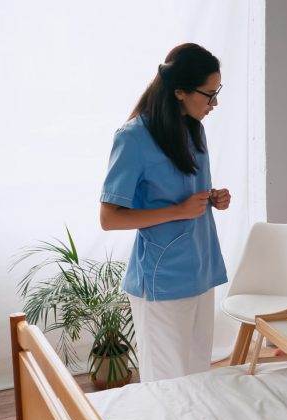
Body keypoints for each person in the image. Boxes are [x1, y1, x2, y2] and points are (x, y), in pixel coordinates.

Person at [100, 43, 230, 382]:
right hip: (163, 278)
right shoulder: (133, 138)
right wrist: (178, 210)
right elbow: (109, 218)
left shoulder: (194, 129)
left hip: (201, 268)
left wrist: (213, 198)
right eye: (209, 94)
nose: (214, 104)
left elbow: (185, 193)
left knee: (197, 375)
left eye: (217, 93)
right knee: (167, 383)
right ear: (180, 91)